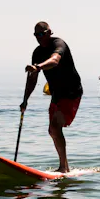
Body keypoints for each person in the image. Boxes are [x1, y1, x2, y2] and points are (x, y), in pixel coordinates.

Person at [23, 21, 84, 173]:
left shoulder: (59, 43)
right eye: (36, 35)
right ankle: (65, 166)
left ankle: (63, 168)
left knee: (56, 127)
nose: (39, 37)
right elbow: (32, 79)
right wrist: (25, 100)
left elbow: (55, 61)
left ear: (50, 32)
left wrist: (38, 67)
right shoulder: (37, 53)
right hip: (57, 93)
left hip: (71, 91)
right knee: (52, 130)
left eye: (42, 34)